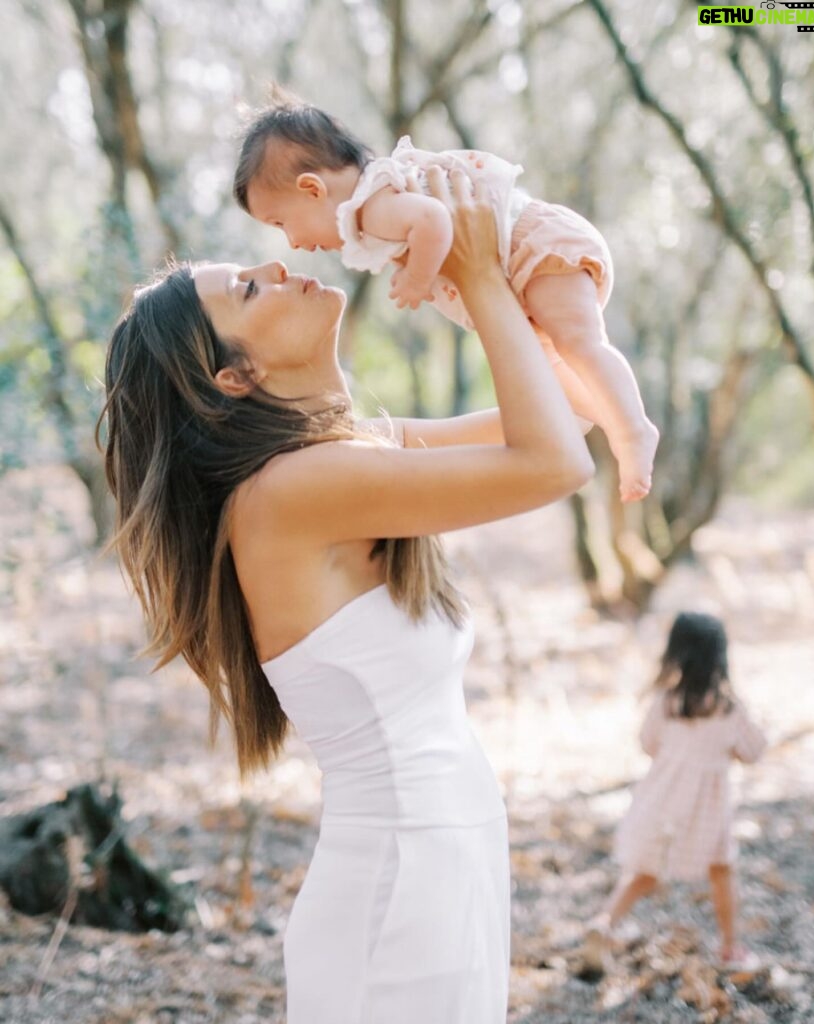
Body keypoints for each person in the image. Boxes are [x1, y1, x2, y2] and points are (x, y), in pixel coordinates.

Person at [96, 167, 594, 1024]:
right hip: (400, 883)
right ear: (233, 377)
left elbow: (575, 410)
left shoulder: (354, 451)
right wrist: (473, 275)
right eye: (250, 291)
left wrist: (526, 264)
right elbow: (555, 465)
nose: (280, 269)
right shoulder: (294, 489)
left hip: (445, 857)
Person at [232, 89, 658, 502]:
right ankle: (609, 415)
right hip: (523, 274)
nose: (291, 242)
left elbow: (434, 220)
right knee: (556, 367)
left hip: (536, 249)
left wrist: (418, 278)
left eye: (281, 223)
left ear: (312, 189)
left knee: (580, 343)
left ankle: (633, 428)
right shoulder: (374, 205)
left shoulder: (374, 206)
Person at [592, 612, 766, 968]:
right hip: (706, 815)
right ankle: (731, 946)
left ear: (676, 655)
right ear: (720, 657)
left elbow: (647, 743)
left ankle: (603, 922)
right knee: (722, 871)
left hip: (662, 804)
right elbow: (754, 751)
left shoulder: (666, 703)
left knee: (643, 872)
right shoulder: (729, 709)